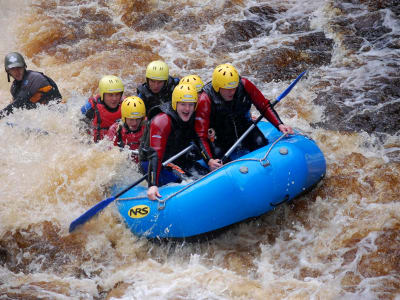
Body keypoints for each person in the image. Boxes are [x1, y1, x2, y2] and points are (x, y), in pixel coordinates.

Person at [195, 63, 294, 170]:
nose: (232, 92)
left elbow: (264, 106)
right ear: (217, 87)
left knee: (260, 142)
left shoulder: (245, 84)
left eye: (234, 87)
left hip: (245, 128)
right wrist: (209, 160)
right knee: (219, 160)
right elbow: (200, 135)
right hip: (220, 137)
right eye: (228, 89)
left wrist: (279, 124)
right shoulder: (205, 99)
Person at [139, 83, 208, 200]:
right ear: (175, 104)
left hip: (178, 157)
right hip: (155, 163)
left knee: (205, 176)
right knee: (189, 182)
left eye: (191, 105)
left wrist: (209, 160)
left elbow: (199, 138)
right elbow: (155, 154)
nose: (187, 109)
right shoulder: (162, 120)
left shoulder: (193, 114)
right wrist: (152, 185)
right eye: (183, 104)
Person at [0, 52, 62, 119]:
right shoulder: (14, 88)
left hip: (58, 113)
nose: (17, 72)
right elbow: (15, 107)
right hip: (40, 116)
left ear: (24, 67)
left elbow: (18, 103)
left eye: (19, 68)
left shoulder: (35, 78)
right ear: (8, 72)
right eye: (13, 69)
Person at [81, 75, 124, 142]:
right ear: (102, 94)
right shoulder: (90, 107)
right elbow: (79, 127)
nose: (114, 99)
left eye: (117, 94)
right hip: (97, 145)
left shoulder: (127, 105)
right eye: (110, 95)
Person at [106, 96, 146, 163]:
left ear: (142, 118)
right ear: (124, 118)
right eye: (131, 119)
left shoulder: (148, 127)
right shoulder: (115, 130)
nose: (134, 123)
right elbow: (109, 156)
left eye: (138, 119)